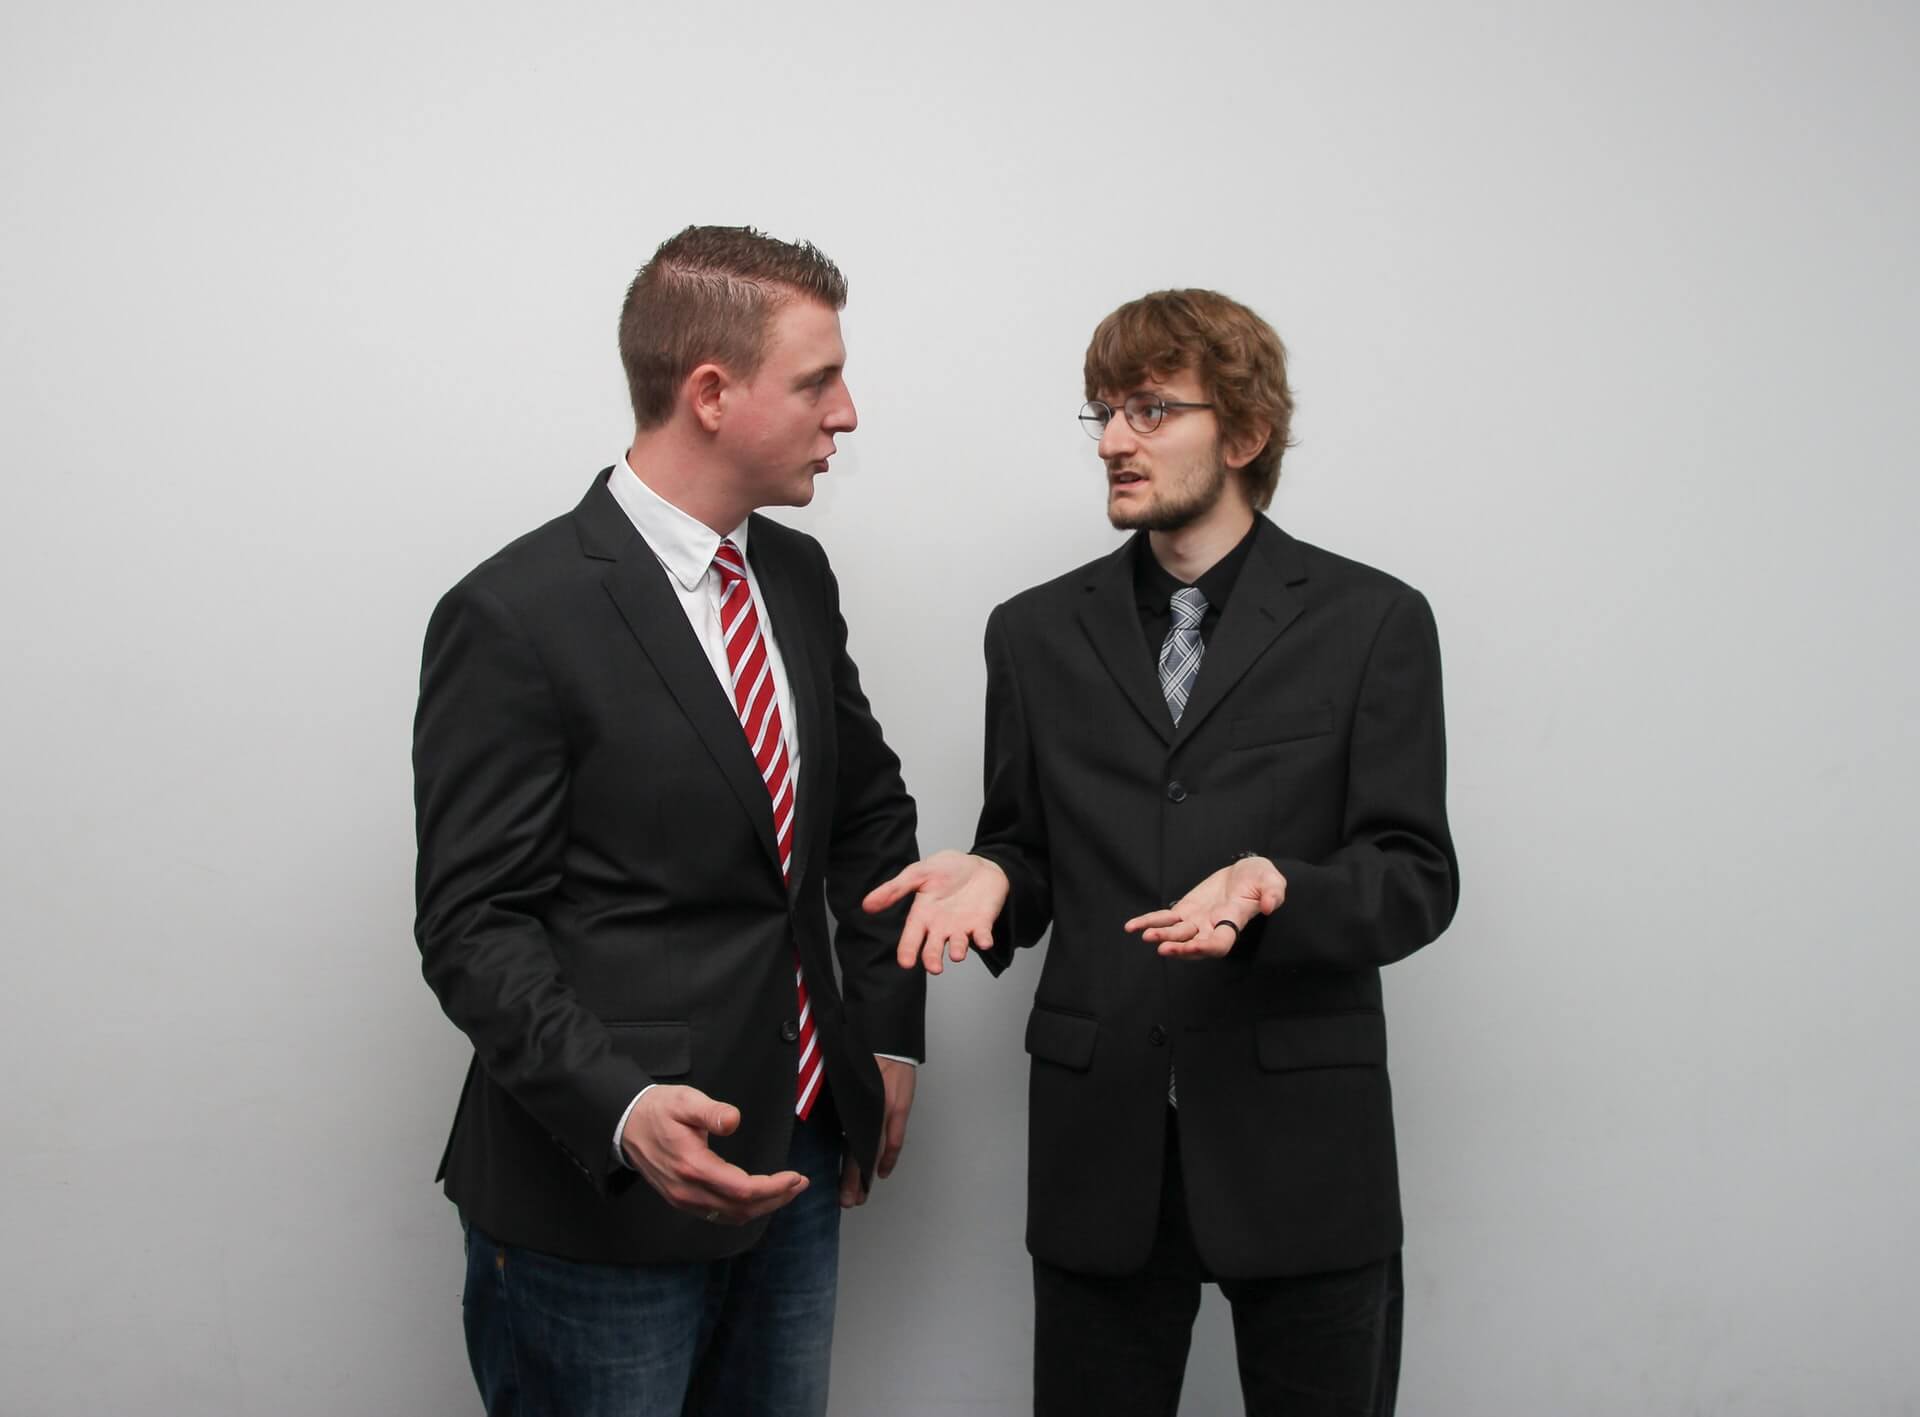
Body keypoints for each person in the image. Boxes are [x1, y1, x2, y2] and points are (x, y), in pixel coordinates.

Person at [866, 288, 1458, 1415]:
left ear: (1242, 434)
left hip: (1302, 1141)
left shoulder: (1373, 621)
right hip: (1104, 1139)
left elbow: (1417, 874)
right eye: (1100, 412)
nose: (1114, 440)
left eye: (1149, 408)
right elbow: (1028, 850)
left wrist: (1278, 885)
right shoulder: (1033, 633)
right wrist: (996, 875)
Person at [414, 224, 922, 1417]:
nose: (845, 412)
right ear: (709, 393)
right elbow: (474, 924)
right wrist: (626, 1107)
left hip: (796, 1156)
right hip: (599, 1195)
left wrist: (888, 1036)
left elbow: (867, 820)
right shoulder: (513, 612)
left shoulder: (795, 577)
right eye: (817, 380)